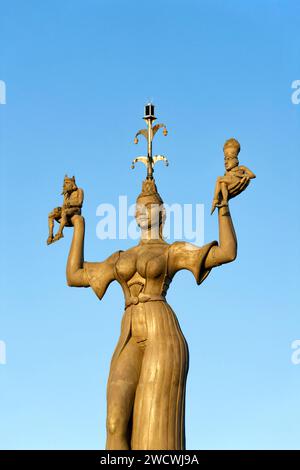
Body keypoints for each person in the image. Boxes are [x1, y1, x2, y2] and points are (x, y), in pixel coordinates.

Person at [65, 173, 249, 450]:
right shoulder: (120, 256)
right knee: (114, 423)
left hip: (160, 330)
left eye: (147, 206)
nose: (140, 211)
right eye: (137, 207)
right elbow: (75, 275)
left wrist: (224, 207)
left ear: (161, 213)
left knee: (154, 426)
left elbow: (227, 252)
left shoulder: (171, 251)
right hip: (128, 332)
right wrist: (79, 225)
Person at [211, 138, 256, 214]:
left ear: (236, 160)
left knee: (219, 179)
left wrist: (244, 176)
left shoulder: (241, 168)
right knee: (222, 184)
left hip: (236, 180)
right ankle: (224, 201)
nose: (226, 162)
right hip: (230, 183)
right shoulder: (227, 173)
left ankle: (214, 200)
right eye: (225, 159)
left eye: (229, 159)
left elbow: (253, 175)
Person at [47, 175, 83, 245]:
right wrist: (59, 209)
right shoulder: (66, 194)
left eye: (66, 183)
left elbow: (80, 203)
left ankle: (60, 232)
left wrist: (71, 204)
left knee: (65, 212)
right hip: (67, 210)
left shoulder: (79, 190)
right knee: (51, 215)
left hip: (76, 210)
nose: (64, 185)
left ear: (72, 184)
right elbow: (64, 205)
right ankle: (50, 235)